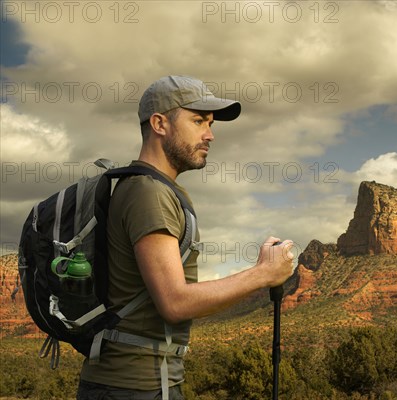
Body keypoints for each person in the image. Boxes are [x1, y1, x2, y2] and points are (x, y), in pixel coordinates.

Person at [77, 75, 295, 400]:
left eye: (210, 123)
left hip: (136, 384)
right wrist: (263, 274)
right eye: (198, 121)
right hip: (135, 388)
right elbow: (174, 302)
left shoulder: (149, 188)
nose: (210, 135)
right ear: (159, 123)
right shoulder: (148, 193)